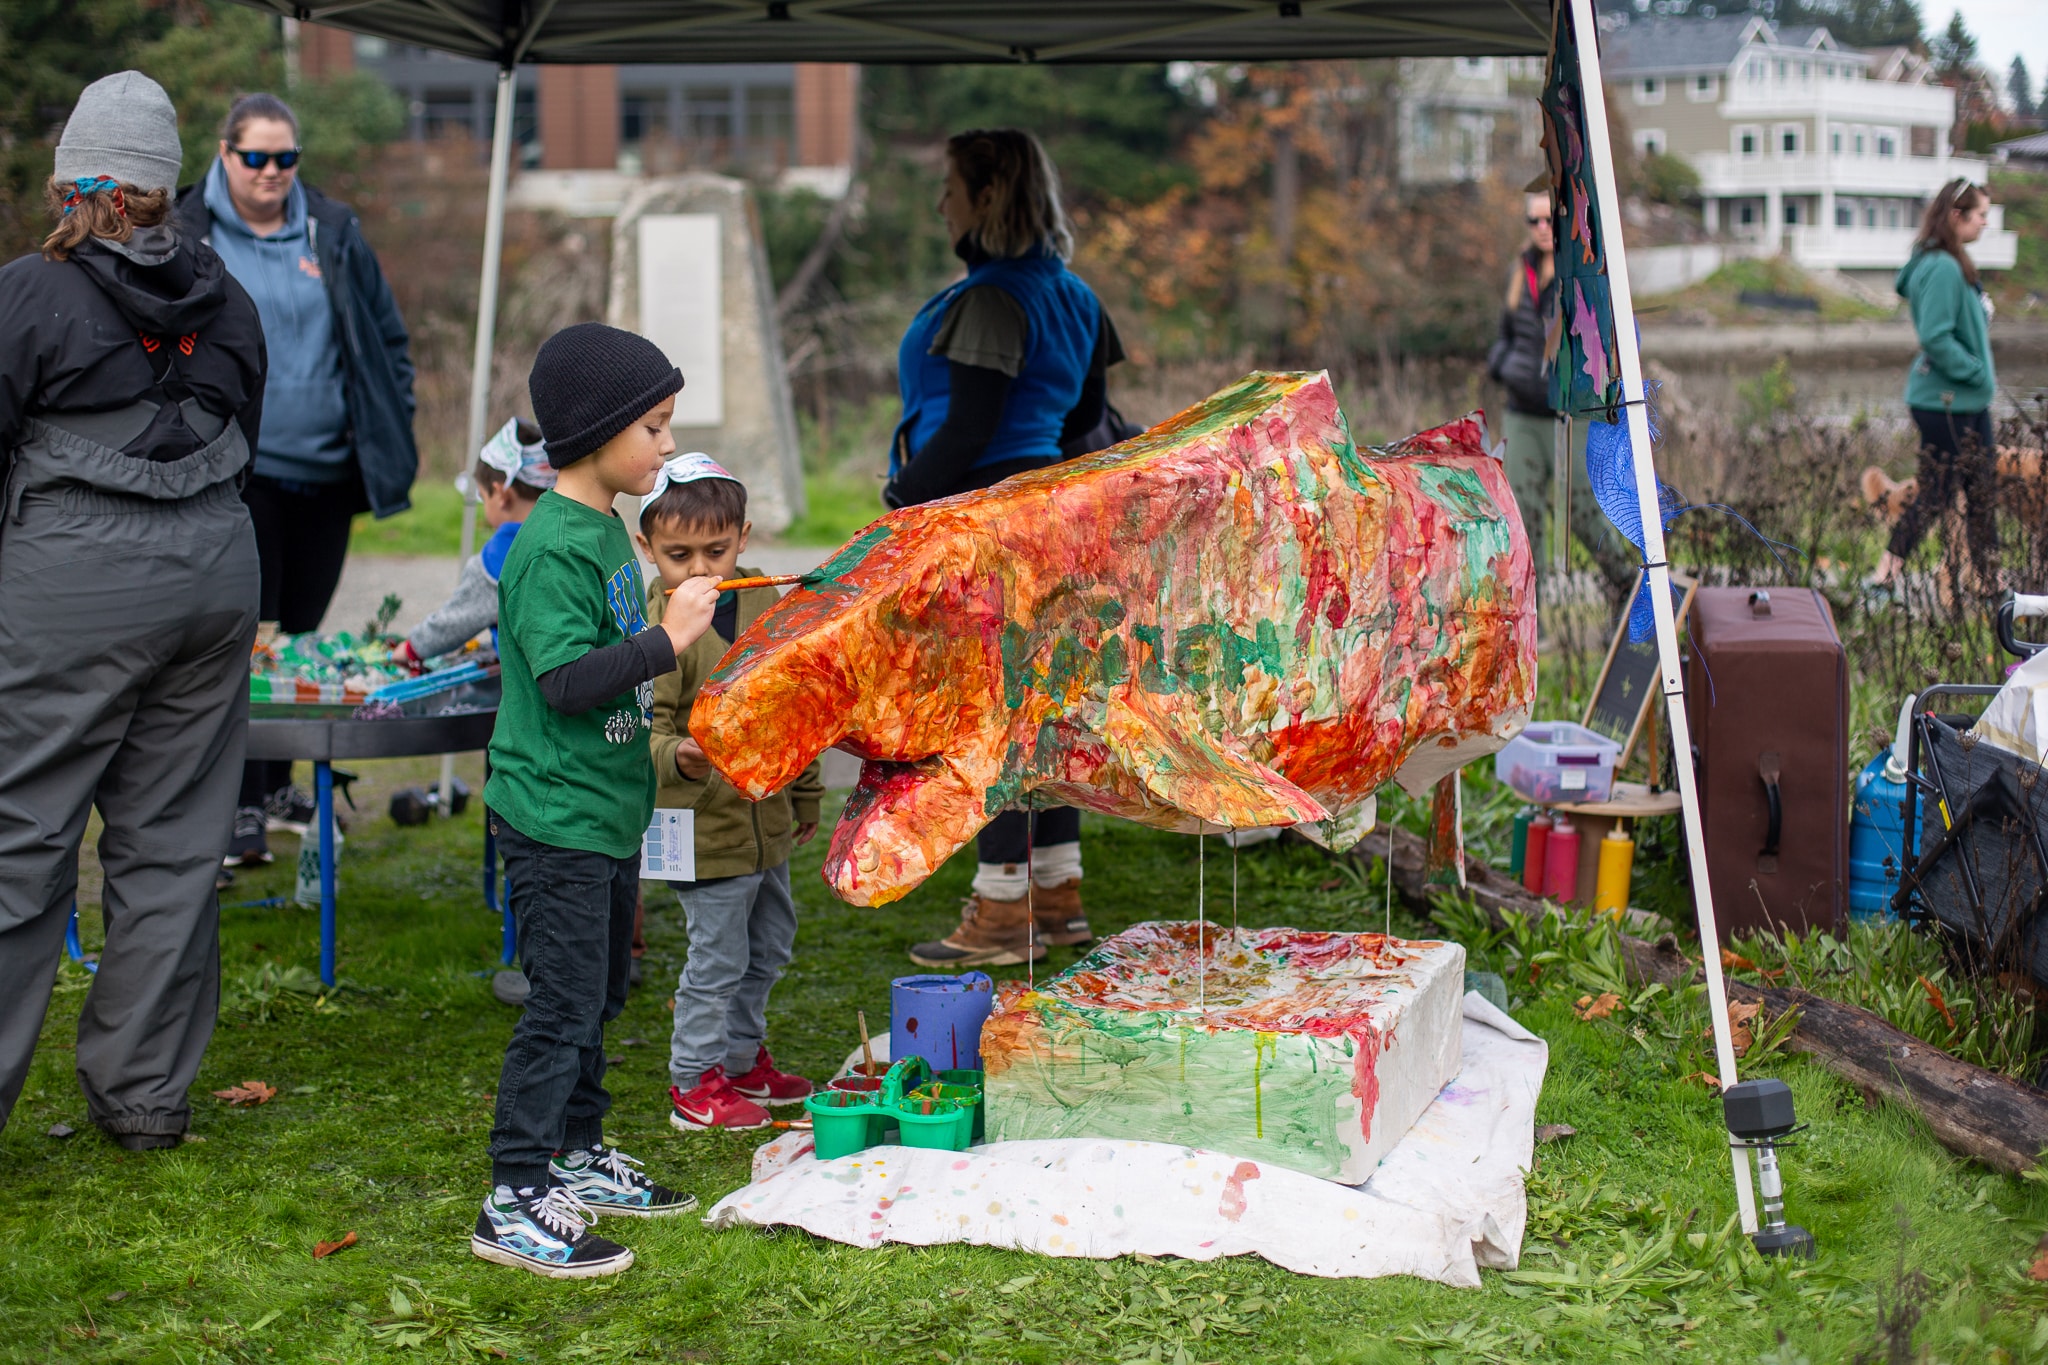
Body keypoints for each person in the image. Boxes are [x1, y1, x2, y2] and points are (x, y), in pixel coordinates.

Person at [0, 73, 266, 1148]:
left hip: (75, 578)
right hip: (213, 573)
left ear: (76, 184)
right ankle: (147, 1096)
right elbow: (254, 437)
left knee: (21, 840)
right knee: (173, 843)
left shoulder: (28, 291)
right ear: (169, 188)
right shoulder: (232, 297)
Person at [474, 323, 720, 1279]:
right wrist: (666, 639)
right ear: (599, 433)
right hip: (553, 818)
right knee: (563, 1002)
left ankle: (577, 1152)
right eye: (654, 427)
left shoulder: (606, 526)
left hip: (609, 810)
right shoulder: (548, 547)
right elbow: (570, 678)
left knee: (602, 992)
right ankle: (516, 1189)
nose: (666, 447)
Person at [886, 127, 1125, 969]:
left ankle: (999, 911)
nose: (940, 203)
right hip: (1054, 526)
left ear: (986, 196)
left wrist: (899, 509)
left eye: (950, 187)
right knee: (1045, 716)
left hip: (992, 527)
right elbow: (1091, 424)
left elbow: (973, 429)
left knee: (993, 722)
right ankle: (1057, 897)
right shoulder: (1077, 297)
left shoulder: (993, 299)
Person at [174, 92, 418, 866]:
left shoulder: (334, 230)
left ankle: (280, 787)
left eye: (287, 158)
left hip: (330, 471)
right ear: (225, 154)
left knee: (303, 639)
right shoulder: (187, 232)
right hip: (240, 473)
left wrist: (388, 415)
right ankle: (239, 805)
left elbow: (387, 339)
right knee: (249, 638)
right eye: (257, 157)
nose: (273, 172)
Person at [633, 453, 824, 1133]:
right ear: (646, 547)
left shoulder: (766, 607)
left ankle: (741, 1059)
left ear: (743, 537)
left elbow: (793, 710)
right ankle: (694, 1079)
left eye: (716, 550)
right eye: (678, 554)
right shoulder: (658, 636)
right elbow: (639, 734)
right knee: (717, 955)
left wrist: (804, 795)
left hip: (764, 824)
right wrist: (681, 757)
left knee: (770, 939)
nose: (700, 569)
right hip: (702, 833)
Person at [1486, 184, 1631, 600]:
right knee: (1524, 516)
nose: (1543, 227)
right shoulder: (1521, 272)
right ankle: (1536, 624)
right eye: (1534, 220)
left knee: (1584, 510)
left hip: (1566, 417)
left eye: (1550, 218)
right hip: (1522, 414)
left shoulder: (1580, 272)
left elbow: (1603, 343)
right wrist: (1502, 365)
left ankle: (1626, 589)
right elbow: (1504, 336)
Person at [1867, 178, 2000, 599]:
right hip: (1951, 400)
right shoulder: (1943, 266)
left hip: (1955, 400)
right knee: (1959, 491)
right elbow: (1936, 337)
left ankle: (1984, 579)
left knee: (1963, 490)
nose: (1984, 225)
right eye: (1980, 216)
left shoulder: (1941, 260)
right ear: (1956, 215)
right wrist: (1978, 373)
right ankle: (1986, 582)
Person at [393, 418, 551, 667]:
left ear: (500, 494)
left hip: (529, 688)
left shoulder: (498, 559)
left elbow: (455, 621)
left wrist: (411, 648)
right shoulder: (566, 532)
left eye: (483, 495)